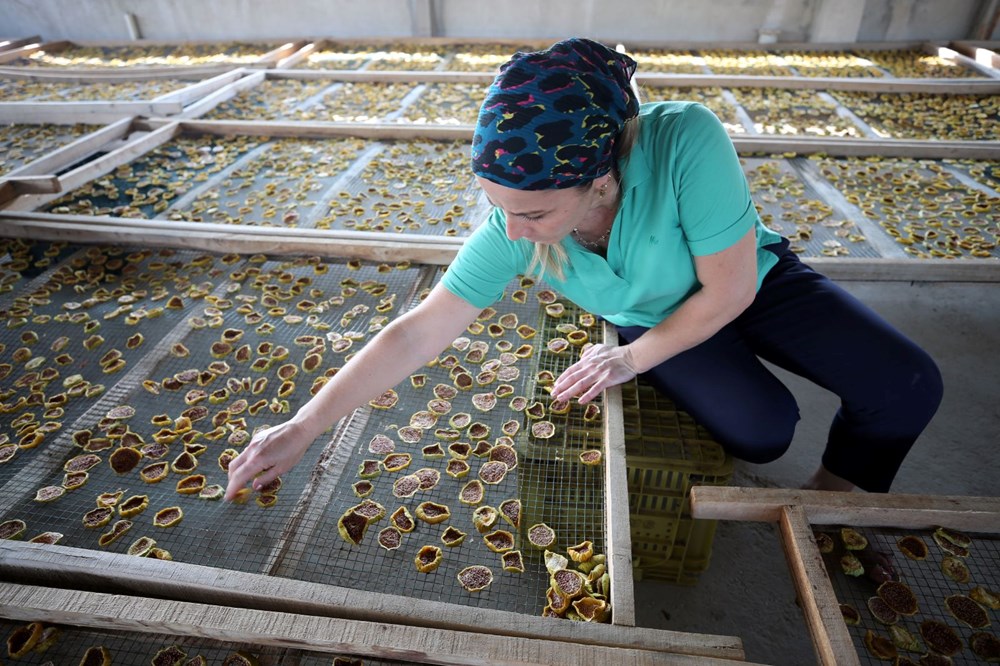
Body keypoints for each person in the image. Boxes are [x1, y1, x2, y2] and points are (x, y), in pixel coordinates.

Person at [225, 38, 942, 499]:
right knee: (764, 432)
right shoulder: (516, 227)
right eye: (497, 207)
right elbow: (418, 333)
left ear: (601, 178)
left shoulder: (683, 137)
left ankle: (840, 491)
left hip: (746, 280)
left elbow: (729, 290)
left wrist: (630, 362)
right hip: (652, 311)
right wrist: (304, 425)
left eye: (534, 214)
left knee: (905, 384)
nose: (512, 231)